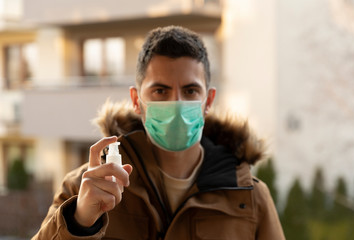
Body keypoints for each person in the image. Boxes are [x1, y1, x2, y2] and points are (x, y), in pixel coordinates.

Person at [32, 25, 285, 239]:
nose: (176, 105)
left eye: (190, 91)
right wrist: (80, 221)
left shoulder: (250, 198)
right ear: (136, 100)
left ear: (208, 101)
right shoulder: (86, 187)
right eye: (161, 91)